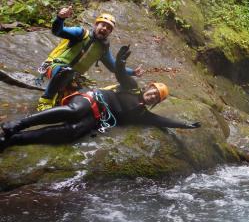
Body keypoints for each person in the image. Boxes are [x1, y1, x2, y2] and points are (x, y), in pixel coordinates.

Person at [0, 45, 200, 150]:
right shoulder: (132, 88)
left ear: (156, 102)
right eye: (153, 91)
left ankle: (14, 140)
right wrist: (121, 62)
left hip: (97, 118)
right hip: (92, 99)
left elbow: (165, 121)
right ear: (148, 88)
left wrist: (186, 125)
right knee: (74, 111)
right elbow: (121, 74)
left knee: (73, 131)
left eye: (156, 97)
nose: (151, 96)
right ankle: (18, 124)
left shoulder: (143, 115)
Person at [37, 6, 144, 111]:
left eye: (108, 28)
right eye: (103, 25)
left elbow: (114, 67)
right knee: (65, 71)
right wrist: (60, 18)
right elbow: (57, 31)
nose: (105, 29)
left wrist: (133, 72)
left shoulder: (103, 48)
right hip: (55, 66)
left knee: (82, 97)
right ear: (96, 24)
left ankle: (59, 99)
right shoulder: (80, 33)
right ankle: (45, 101)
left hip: (74, 76)